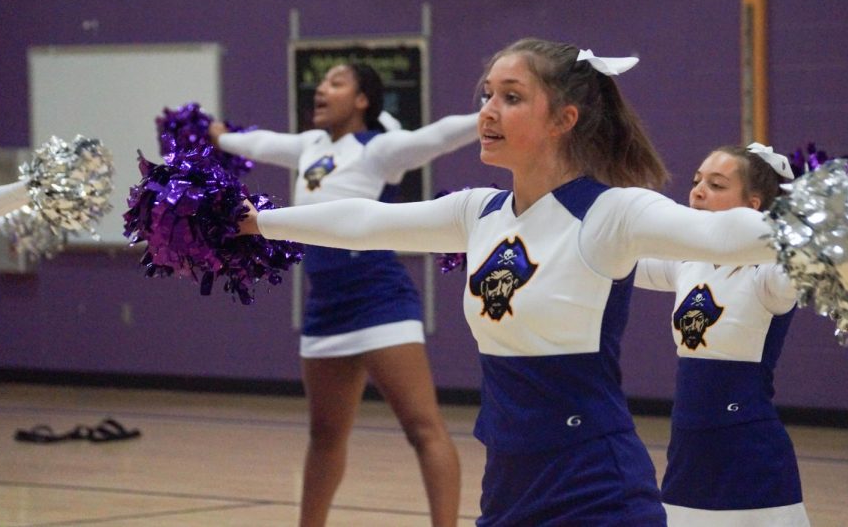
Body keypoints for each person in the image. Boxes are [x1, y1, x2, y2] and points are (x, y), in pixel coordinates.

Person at [234, 38, 782, 525]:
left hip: (594, 486)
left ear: (563, 119)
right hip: (507, 486)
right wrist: (258, 221)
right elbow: (365, 220)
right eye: (486, 95)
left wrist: (815, 230)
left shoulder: (612, 212)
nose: (488, 112)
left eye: (511, 98)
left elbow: (724, 234)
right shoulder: (480, 212)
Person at [209, 62, 478, 527]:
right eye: (322, 81)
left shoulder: (379, 150)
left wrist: (488, 115)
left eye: (336, 82)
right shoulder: (309, 146)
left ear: (362, 101)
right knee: (325, 434)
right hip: (325, 306)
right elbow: (259, 143)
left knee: (422, 427)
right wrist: (218, 136)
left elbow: (436, 136)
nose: (321, 88)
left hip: (379, 298)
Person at [636, 143, 810, 526]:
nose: (697, 191)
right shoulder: (687, 262)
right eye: (698, 181)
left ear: (753, 206)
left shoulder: (769, 274)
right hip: (689, 452)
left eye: (716, 185)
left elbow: (799, 262)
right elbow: (617, 258)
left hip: (749, 455)